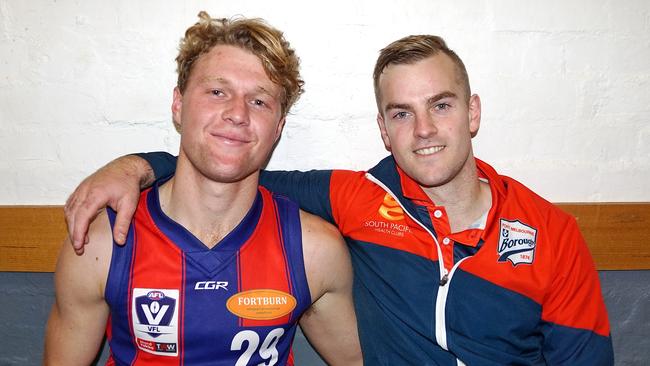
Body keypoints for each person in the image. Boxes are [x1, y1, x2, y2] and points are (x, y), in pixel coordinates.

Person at [63, 33, 614, 365]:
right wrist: (140, 168)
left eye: (441, 106)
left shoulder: (553, 234)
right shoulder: (359, 198)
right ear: (382, 128)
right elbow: (228, 165)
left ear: (472, 112)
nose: (423, 130)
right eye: (402, 113)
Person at [44, 12, 362, 366]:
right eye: (216, 91)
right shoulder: (102, 244)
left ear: (278, 128)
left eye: (259, 101)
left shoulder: (314, 251)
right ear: (178, 105)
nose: (237, 113)